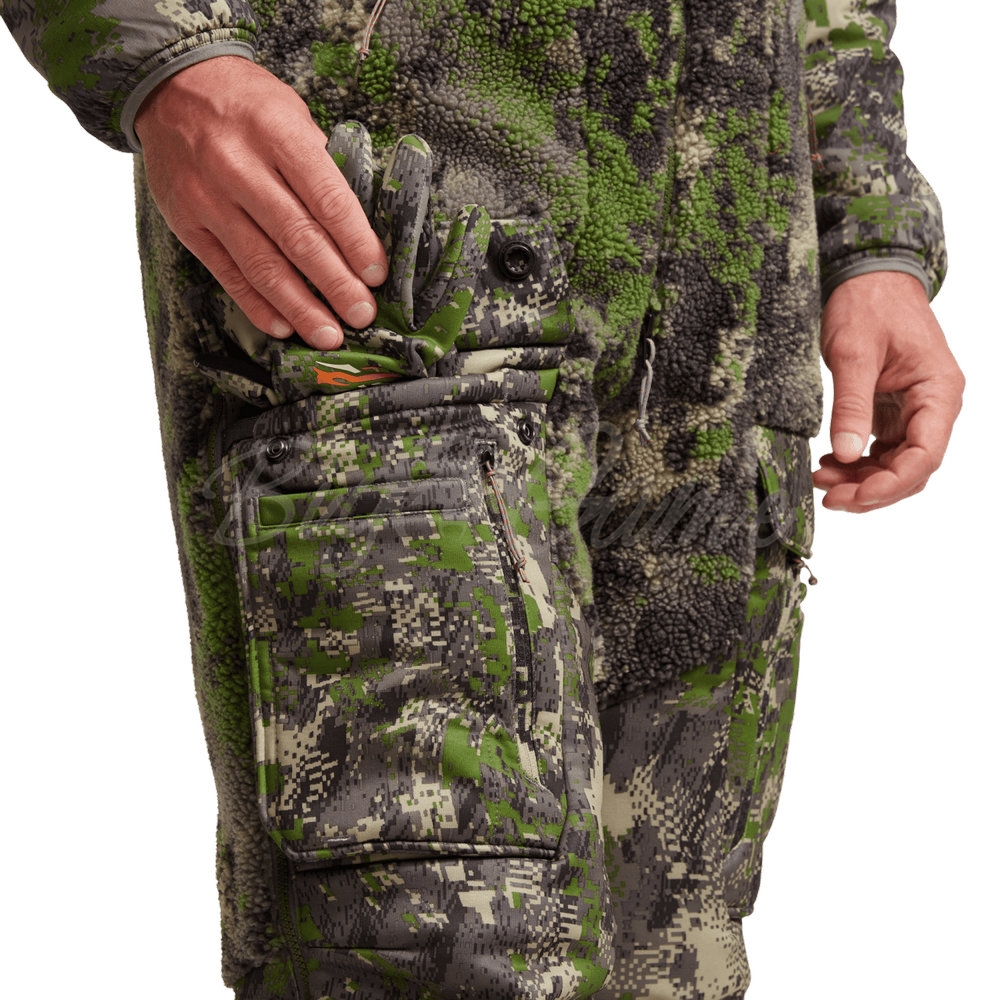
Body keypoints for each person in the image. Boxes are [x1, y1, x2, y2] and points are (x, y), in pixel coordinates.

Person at [2, 2, 964, 998]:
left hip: (725, 315)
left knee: (672, 959)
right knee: (428, 951)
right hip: (400, 258)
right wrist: (164, 60)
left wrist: (868, 229)